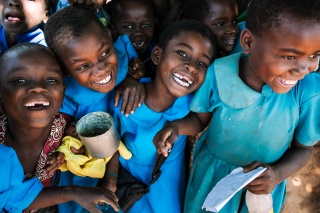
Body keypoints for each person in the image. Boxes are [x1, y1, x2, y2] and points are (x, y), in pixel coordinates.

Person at [153, 0, 320, 212]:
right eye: (289, 56)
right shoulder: (218, 73)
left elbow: (303, 149)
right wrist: (176, 128)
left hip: (263, 188)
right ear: (248, 42)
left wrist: (277, 174)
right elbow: (199, 119)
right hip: (211, 180)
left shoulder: (308, 92)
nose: (304, 69)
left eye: (315, 55)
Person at [44, 5, 144, 213]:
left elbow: (139, 72)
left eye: (105, 52)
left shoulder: (124, 56)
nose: (101, 69)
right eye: (83, 66)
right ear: (65, 71)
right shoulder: (69, 95)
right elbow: (60, 135)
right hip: (87, 171)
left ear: (108, 36)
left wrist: (132, 80)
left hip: (133, 163)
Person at [0, 43, 119, 213]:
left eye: (51, 80)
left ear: (63, 93)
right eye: (20, 80)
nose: (38, 87)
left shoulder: (67, 129)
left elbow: (112, 147)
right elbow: (11, 199)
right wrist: (74, 193)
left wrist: (110, 179)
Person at [113, 20, 216, 213]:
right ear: (157, 55)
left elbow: (200, 120)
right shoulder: (127, 101)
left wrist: (176, 127)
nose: (192, 67)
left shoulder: (190, 103)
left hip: (169, 186)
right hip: (131, 189)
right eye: (182, 53)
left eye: (202, 63)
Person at [105, 0, 156, 79]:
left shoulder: (156, 52)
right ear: (113, 30)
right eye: (127, 27)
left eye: (146, 25)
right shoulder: (109, 59)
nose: (138, 33)